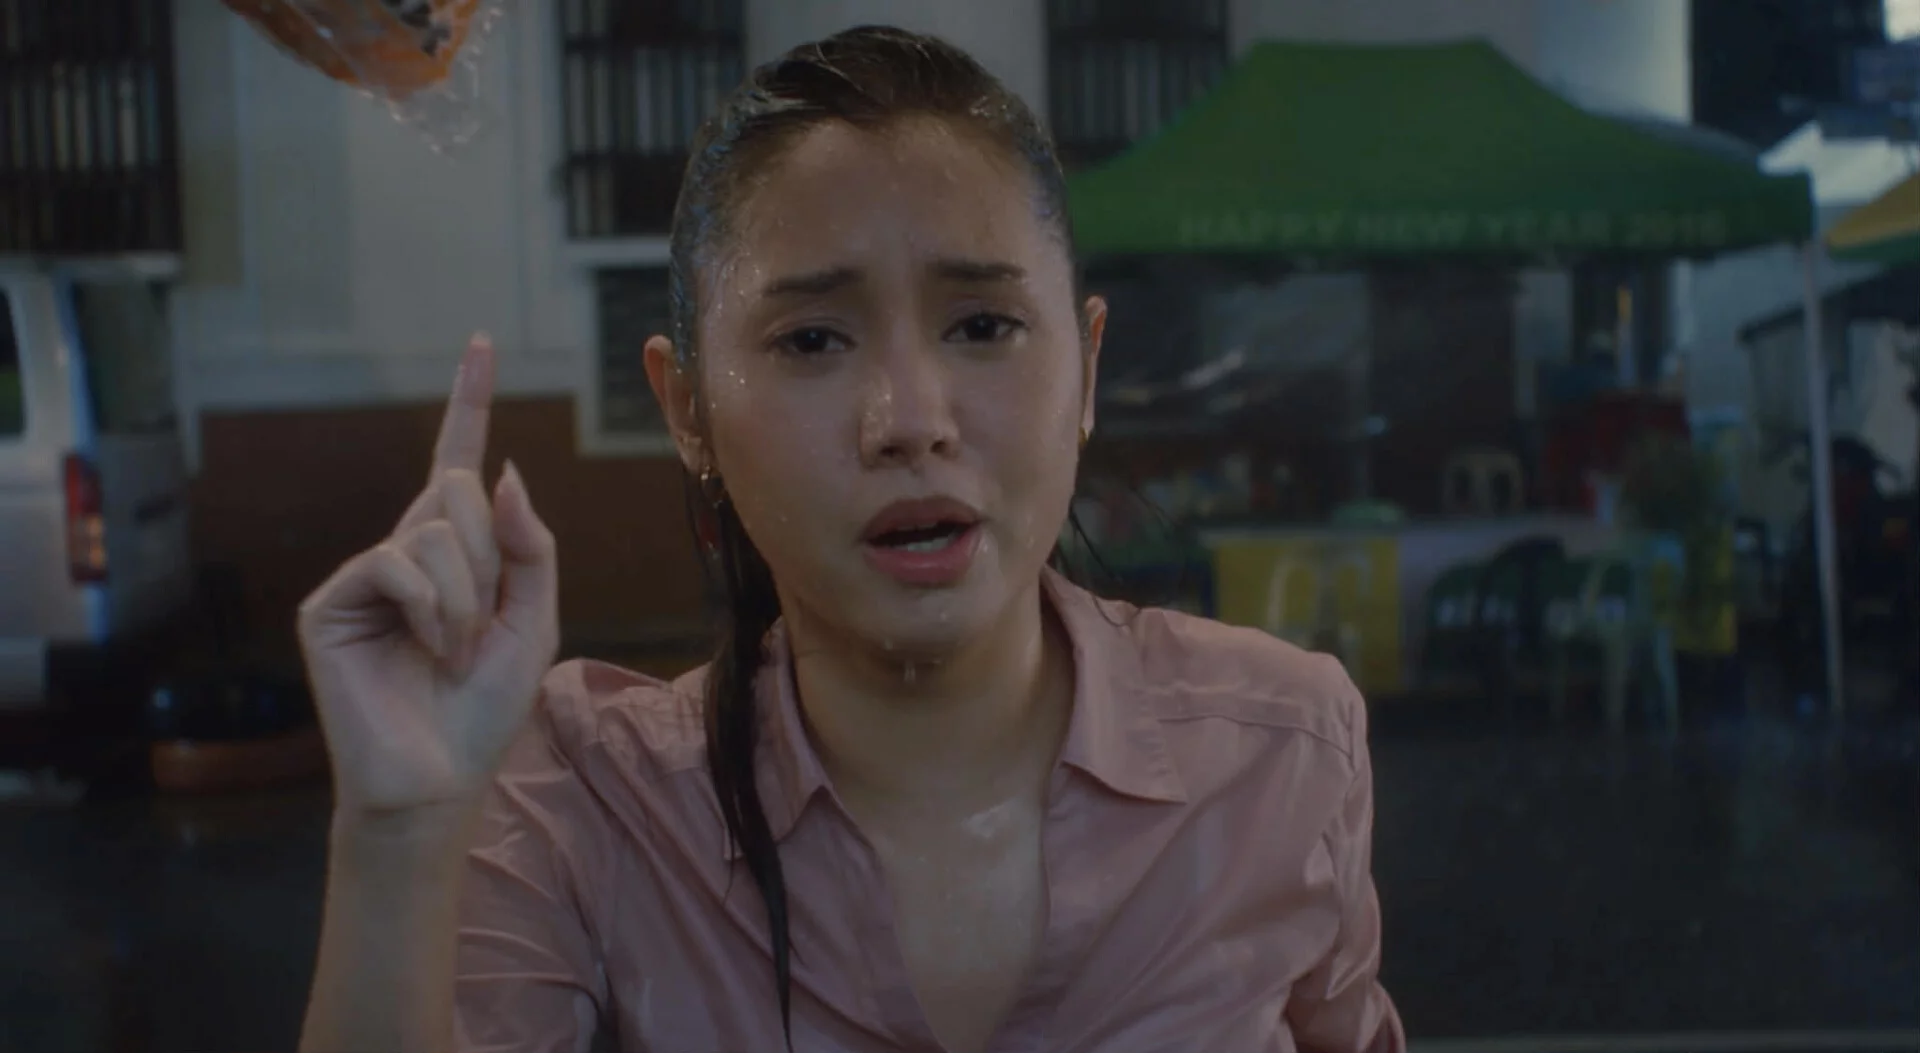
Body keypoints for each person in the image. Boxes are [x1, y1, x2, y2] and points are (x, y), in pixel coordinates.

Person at [294, 25, 1403, 1053]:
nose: (910, 419)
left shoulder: (1280, 751)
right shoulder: (587, 803)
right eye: (813, 340)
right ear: (686, 410)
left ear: (1088, 367)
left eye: (983, 325)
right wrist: (399, 832)